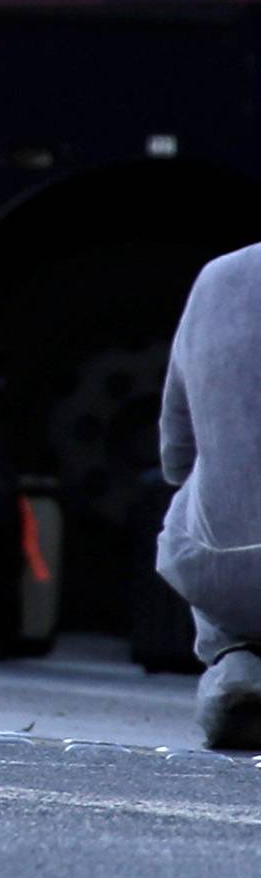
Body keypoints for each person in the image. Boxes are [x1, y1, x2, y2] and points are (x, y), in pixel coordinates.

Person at [155, 246, 261, 749]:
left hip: (218, 570)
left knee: (199, 494)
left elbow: (175, 455)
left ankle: (236, 659)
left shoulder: (216, 275)